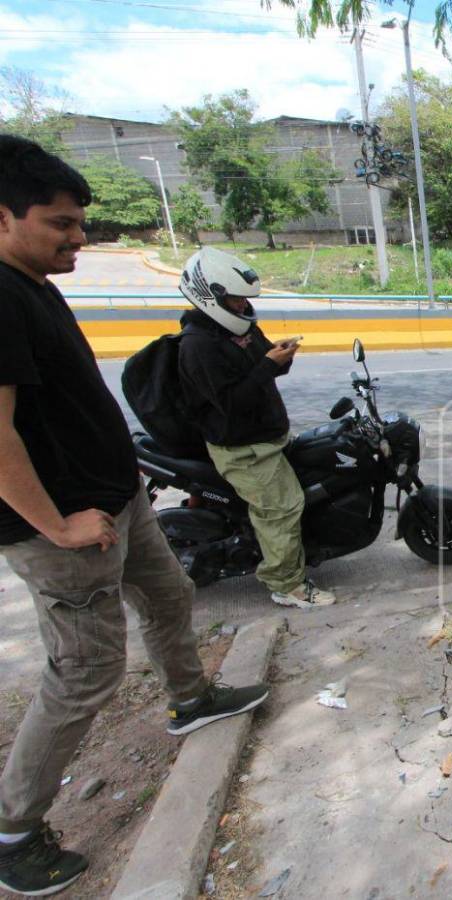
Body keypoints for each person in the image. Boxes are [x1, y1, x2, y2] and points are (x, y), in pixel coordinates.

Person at [0, 136, 270, 897]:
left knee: (169, 596)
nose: (80, 237)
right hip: (64, 529)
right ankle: (15, 831)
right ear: (3, 217)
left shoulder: (32, 284)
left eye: (80, 222)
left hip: (118, 501)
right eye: (60, 223)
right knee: (84, 671)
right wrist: (56, 525)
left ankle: (192, 699)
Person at [176, 247, 335, 611]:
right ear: (210, 296)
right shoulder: (198, 346)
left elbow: (263, 372)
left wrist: (280, 358)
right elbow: (230, 403)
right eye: (234, 300)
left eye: (244, 300)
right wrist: (266, 365)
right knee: (282, 508)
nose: (242, 306)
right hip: (243, 449)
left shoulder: (241, 327)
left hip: (266, 439)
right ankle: (287, 584)